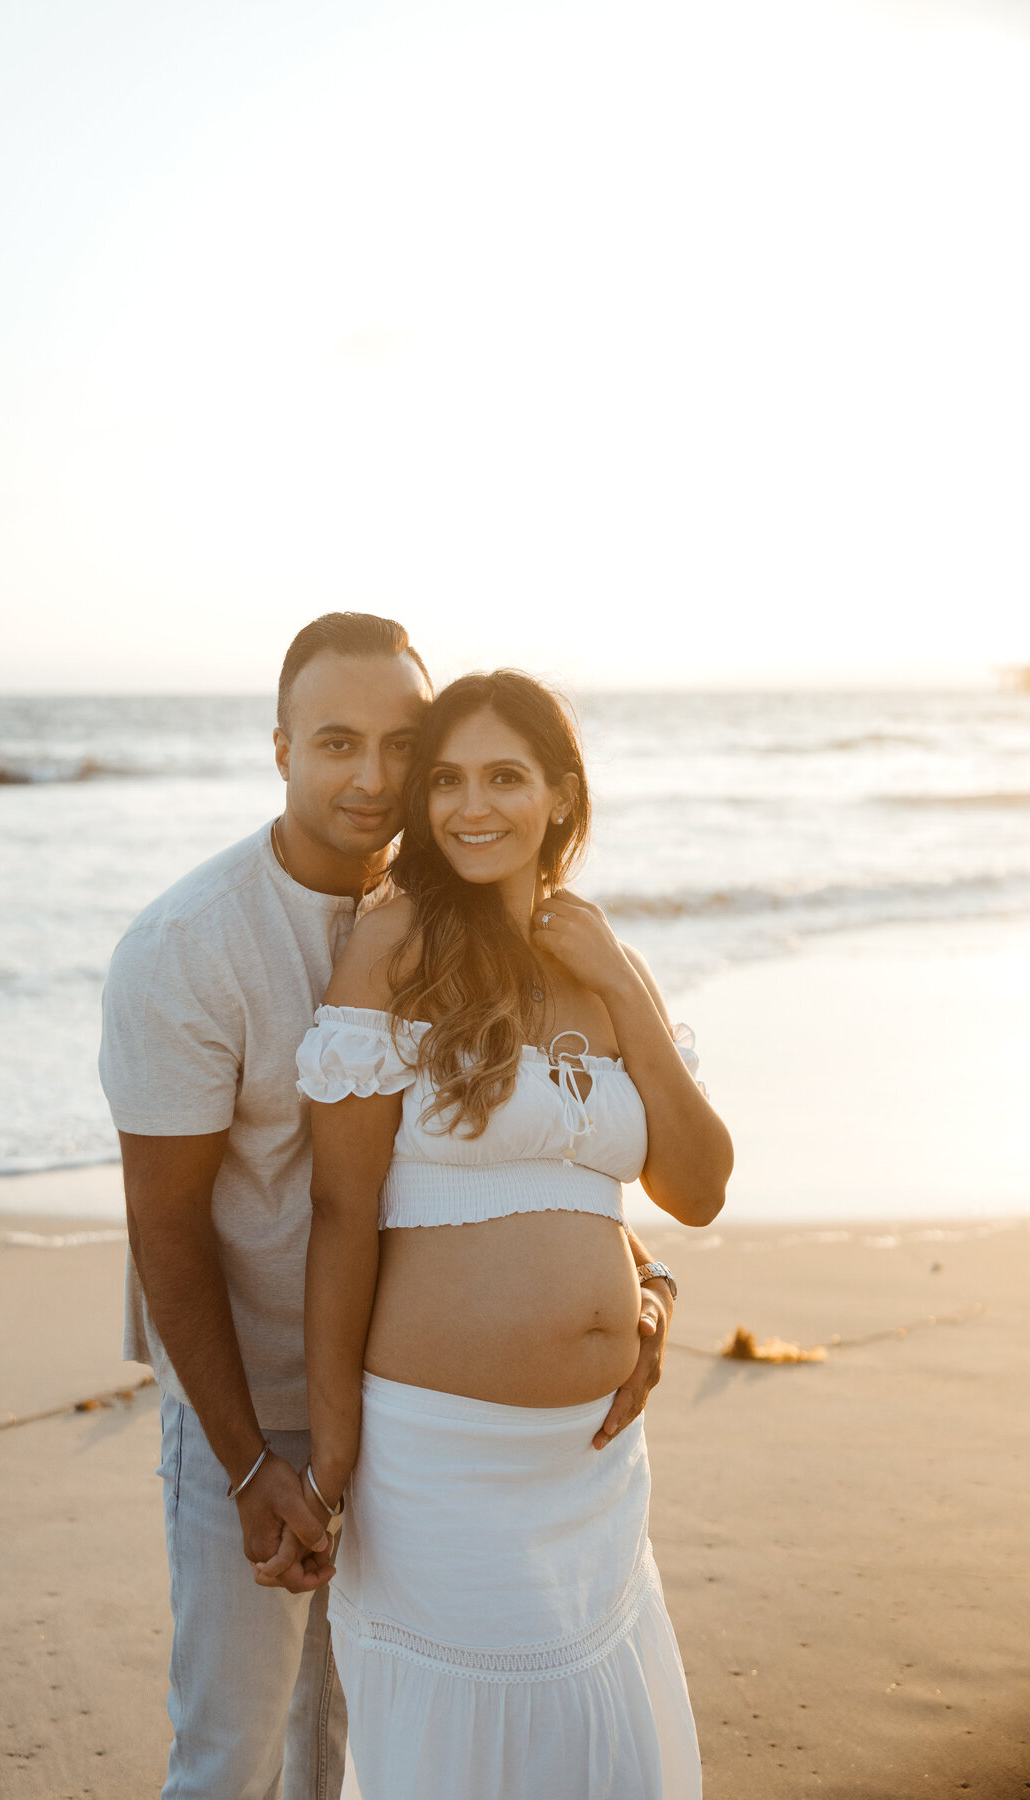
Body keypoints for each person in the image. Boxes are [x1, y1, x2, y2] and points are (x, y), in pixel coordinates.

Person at [100, 622, 683, 1800]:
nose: (370, 778)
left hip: (410, 1412)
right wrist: (249, 1460)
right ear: (279, 749)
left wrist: (633, 1272)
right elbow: (163, 1235)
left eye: (398, 747)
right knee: (238, 1750)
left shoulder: (460, 914)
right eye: (334, 743)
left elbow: (511, 1147)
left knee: (351, 1745)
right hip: (257, 1403)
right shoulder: (187, 948)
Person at [286, 670, 733, 1799]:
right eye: (446, 780)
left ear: (560, 796)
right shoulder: (392, 947)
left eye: (504, 777)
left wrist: (623, 996)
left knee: (599, 1755)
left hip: (593, 1462)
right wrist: (332, 1450)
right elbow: (342, 1214)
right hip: (444, 1460)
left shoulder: (602, 958)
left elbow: (698, 1184)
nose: (470, 807)